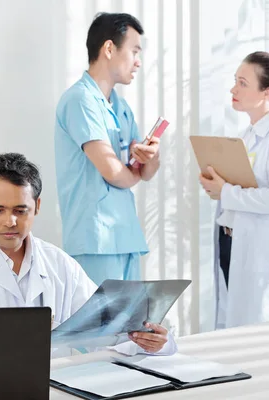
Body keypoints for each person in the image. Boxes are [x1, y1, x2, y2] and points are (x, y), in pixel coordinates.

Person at [0, 153, 174, 356]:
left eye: (20, 210)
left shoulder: (58, 265)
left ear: (36, 207)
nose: (10, 221)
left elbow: (109, 330)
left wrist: (150, 341)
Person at [199, 51, 269, 329]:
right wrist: (217, 187)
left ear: (267, 92)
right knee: (235, 330)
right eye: (235, 81)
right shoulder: (248, 135)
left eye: (243, 83)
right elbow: (242, 189)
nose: (233, 89)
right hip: (234, 244)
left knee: (260, 335)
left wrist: (226, 192)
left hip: (262, 252)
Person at [54, 13, 161, 286]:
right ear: (109, 49)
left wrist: (150, 156)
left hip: (124, 235)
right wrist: (132, 173)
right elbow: (113, 171)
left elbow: (146, 171)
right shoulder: (80, 100)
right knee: (98, 327)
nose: (138, 61)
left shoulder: (120, 107)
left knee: (129, 328)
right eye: (134, 51)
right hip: (95, 239)